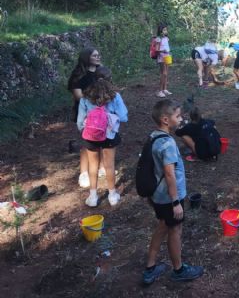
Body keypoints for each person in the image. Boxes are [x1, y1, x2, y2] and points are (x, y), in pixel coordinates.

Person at [142, 99, 204, 285]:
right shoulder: (167, 144)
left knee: (162, 226)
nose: (181, 118)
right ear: (165, 120)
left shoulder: (153, 136)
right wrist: (176, 202)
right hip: (169, 197)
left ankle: (150, 268)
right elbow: (169, 174)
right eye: (177, 116)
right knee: (175, 229)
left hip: (158, 196)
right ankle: (178, 270)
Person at [77, 67, 128, 207]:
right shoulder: (114, 96)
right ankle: (112, 195)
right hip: (109, 136)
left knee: (92, 166)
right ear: (110, 80)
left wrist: (86, 130)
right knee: (109, 166)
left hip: (91, 136)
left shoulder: (86, 97)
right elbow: (123, 117)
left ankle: (93, 197)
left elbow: (80, 122)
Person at [68, 47, 101, 188]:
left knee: (101, 141)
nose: (98, 57)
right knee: (86, 143)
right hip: (84, 113)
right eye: (95, 55)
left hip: (101, 113)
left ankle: (99, 168)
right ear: (87, 57)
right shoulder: (78, 75)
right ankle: (84, 173)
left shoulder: (101, 71)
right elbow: (78, 96)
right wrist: (96, 98)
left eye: (99, 55)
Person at [155, 24, 172, 98]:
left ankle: (165, 89)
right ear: (160, 31)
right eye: (164, 30)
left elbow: (167, 46)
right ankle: (160, 91)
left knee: (166, 73)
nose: (166, 31)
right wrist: (163, 51)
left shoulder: (166, 38)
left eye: (166, 29)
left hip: (167, 56)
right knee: (163, 73)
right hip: (161, 57)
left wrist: (168, 52)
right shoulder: (158, 39)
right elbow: (157, 50)